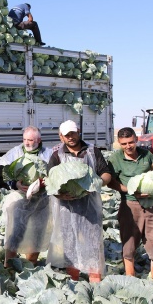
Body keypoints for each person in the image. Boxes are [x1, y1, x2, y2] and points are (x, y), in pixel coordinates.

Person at [47, 120, 111, 282]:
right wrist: (59, 195)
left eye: (73, 133)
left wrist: (94, 184)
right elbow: (49, 180)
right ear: (61, 136)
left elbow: (106, 174)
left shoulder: (92, 150)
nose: (71, 137)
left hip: (90, 207)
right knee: (70, 244)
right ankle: (74, 281)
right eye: (67, 135)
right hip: (66, 209)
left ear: (79, 131)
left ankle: (95, 281)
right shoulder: (56, 154)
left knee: (93, 244)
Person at [107, 127, 153, 283]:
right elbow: (111, 182)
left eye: (131, 142)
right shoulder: (116, 158)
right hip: (130, 204)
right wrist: (129, 190)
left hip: (150, 204)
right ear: (119, 143)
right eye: (124, 143)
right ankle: (130, 279)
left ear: (136, 139)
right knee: (129, 242)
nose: (128, 146)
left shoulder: (146, 154)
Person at [0, 126, 54, 267]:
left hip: (42, 200)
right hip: (19, 199)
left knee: (37, 234)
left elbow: (55, 175)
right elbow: (3, 173)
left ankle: (30, 264)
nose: (27, 143)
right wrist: (15, 184)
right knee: (15, 233)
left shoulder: (48, 154)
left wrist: (44, 182)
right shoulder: (15, 152)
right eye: (25, 140)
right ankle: (9, 266)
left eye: (30, 140)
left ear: (39, 140)